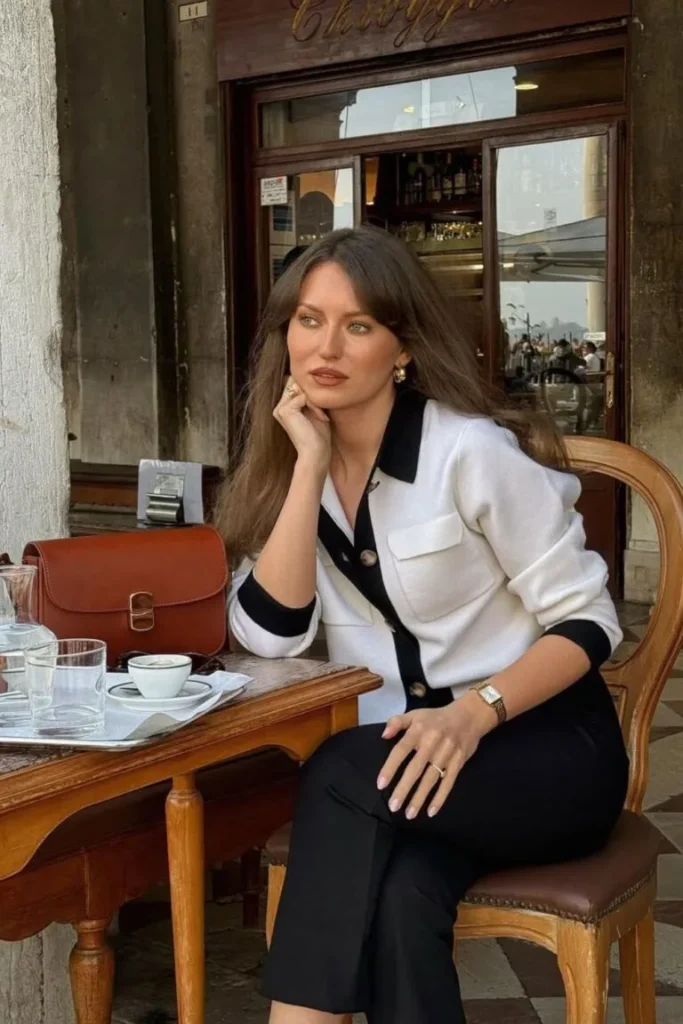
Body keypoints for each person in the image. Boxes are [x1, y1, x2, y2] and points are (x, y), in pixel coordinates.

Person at [214, 226, 628, 1024]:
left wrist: (475, 713)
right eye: (307, 320)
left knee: (337, 770)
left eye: (358, 325)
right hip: (410, 776)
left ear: (400, 346)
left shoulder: (466, 453)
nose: (325, 345)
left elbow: (590, 620)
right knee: (404, 901)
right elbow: (269, 636)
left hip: (542, 751)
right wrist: (306, 470)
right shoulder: (287, 464)